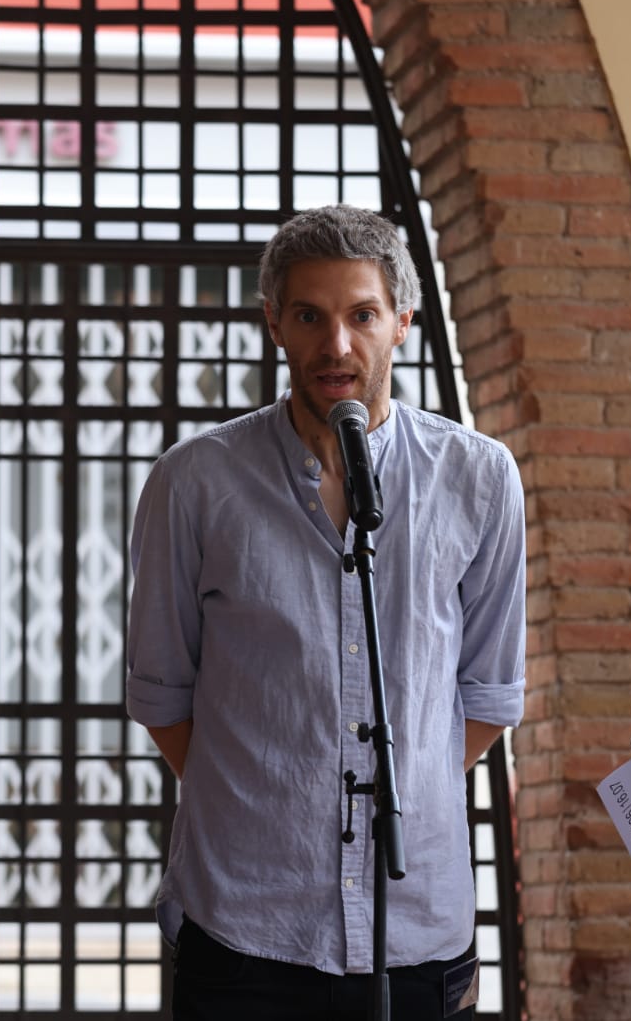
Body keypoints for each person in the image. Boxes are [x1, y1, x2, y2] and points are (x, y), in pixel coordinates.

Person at [125, 204, 527, 1020]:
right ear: (273, 322)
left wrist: (393, 795)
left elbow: (486, 698)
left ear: (403, 322)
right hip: (243, 925)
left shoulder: (480, 478)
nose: (335, 345)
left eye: (361, 315)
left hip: (415, 929)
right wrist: (274, 802)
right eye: (308, 315)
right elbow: (164, 694)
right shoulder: (194, 482)